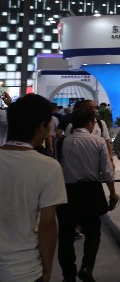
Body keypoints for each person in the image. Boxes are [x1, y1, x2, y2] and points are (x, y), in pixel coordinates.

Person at [0, 94, 67, 282]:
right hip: (23, 269)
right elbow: (47, 225)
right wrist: (47, 269)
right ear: (41, 127)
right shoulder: (48, 167)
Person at [57, 108, 118, 282]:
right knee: (93, 233)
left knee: (65, 236)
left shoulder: (62, 142)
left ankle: (68, 275)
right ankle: (86, 267)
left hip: (67, 192)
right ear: (90, 123)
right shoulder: (99, 142)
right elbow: (107, 172)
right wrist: (113, 194)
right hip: (91, 191)